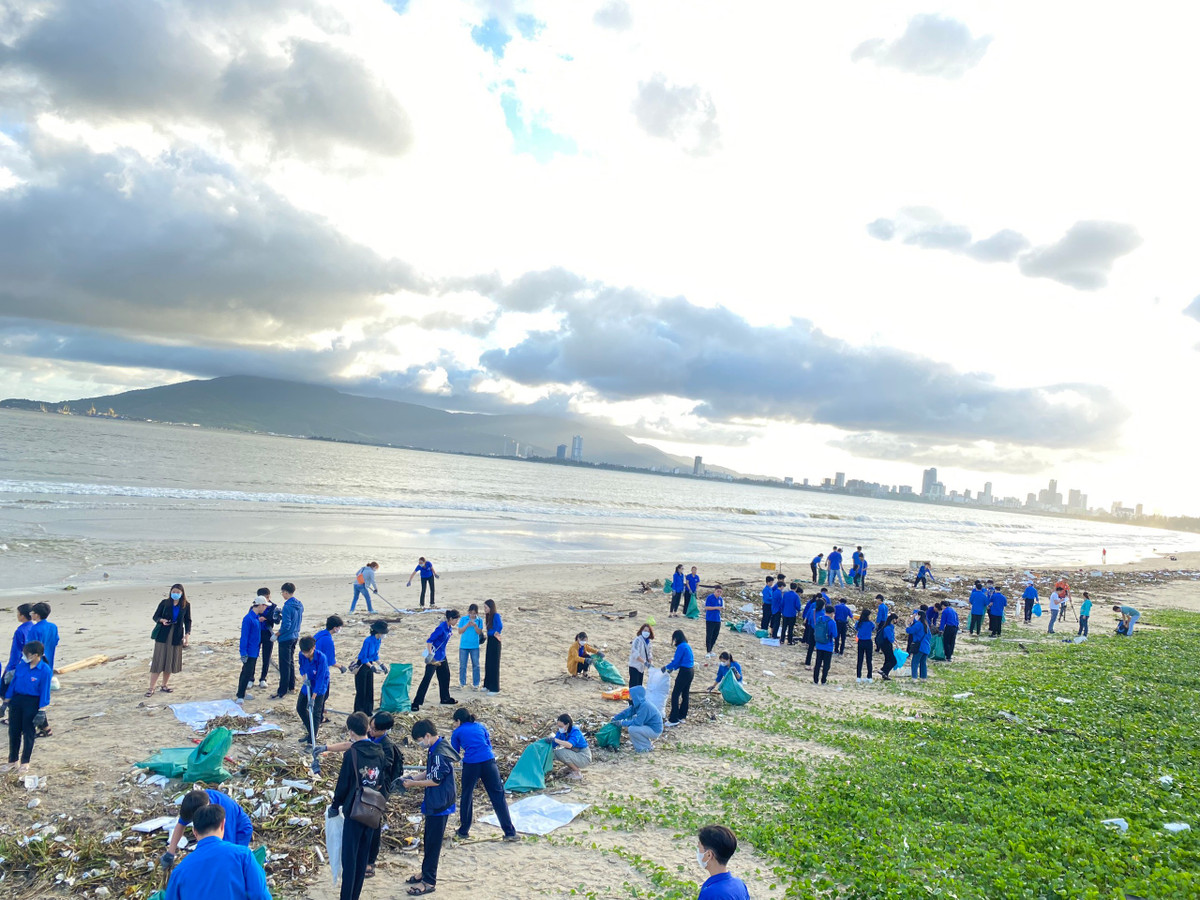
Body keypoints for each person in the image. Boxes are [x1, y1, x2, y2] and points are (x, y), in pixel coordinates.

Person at [316, 711, 405, 880]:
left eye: (374, 729)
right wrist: (327, 748)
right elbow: (351, 744)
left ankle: (370, 861)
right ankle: (360, 860)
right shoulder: (369, 739)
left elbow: (383, 773)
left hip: (377, 792)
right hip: (362, 790)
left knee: (373, 824)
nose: (370, 730)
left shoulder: (385, 747)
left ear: (383, 731)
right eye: (369, 726)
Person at [329, 712, 386, 900]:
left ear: (351, 732)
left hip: (354, 810)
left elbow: (343, 784)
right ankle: (355, 896)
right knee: (363, 857)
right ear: (368, 728)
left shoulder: (351, 753)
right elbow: (381, 781)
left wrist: (335, 805)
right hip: (372, 811)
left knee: (349, 858)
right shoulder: (379, 751)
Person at [163, 803, 269, 900]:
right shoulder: (243, 855)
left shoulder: (179, 872)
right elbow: (259, 894)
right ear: (223, 824)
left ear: (194, 832)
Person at [401, 719, 458, 896]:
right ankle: (424, 873)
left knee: (433, 843)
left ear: (427, 736)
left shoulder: (439, 753)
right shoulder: (437, 747)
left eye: (420, 740)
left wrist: (412, 785)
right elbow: (430, 771)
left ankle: (429, 881)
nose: (420, 744)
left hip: (440, 803)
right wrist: (413, 778)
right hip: (436, 801)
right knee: (428, 839)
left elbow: (435, 780)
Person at [449, 709, 519, 838]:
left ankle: (463, 831)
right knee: (498, 796)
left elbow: (454, 753)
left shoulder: (457, 732)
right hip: (489, 762)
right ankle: (510, 832)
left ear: (458, 721)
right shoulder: (480, 726)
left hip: (471, 764)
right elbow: (488, 744)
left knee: (467, 796)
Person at [163, 788, 253, 863]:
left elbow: (228, 845)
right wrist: (170, 852)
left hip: (240, 829)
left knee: (234, 859)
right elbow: (181, 825)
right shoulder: (195, 802)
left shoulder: (222, 814)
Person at [1, 639, 51, 774]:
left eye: (27, 654)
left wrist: (42, 710)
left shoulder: (44, 670)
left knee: (28, 732)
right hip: (17, 700)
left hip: (32, 702)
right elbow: (13, 684)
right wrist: (6, 702)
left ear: (35, 655)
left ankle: (25, 762)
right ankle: (12, 760)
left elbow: (44, 692)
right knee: (14, 731)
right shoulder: (22, 665)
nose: (25, 656)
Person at [412, 610, 460, 711]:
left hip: (442, 656)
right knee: (427, 679)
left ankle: (445, 698)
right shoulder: (441, 628)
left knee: (445, 677)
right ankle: (416, 702)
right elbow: (429, 641)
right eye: (456, 619)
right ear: (450, 619)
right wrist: (430, 654)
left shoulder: (449, 628)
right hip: (434, 657)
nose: (457, 621)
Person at [148, 587, 190, 699]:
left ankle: (164, 685)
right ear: (170, 592)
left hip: (176, 635)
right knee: (158, 660)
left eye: (178, 592)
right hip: (163, 635)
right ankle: (151, 687)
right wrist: (162, 620)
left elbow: (188, 621)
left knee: (170, 661)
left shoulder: (186, 605)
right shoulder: (165, 603)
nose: (175, 594)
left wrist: (187, 636)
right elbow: (155, 616)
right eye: (173, 592)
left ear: (182, 593)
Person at [696, 824, 751, 900]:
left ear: (709, 855)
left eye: (699, 848)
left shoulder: (711, 893)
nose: (698, 852)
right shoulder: (739, 884)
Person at [0, 604, 34, 723]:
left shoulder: (21, 630)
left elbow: (18, 651)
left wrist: (12, 667)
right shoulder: (32, 627)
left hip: (16, 664)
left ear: (23, 615)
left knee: (5, 690)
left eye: (18, 613)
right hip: (29, 663)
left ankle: (14, 716)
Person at [297, 636, 330, 745]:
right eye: (304, 652)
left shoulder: (322, 658)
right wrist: (304, 677)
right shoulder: (302, 655)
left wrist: (313, 697)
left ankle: (312, 740)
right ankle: (310, 731)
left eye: (308, 652)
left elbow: (321, 678)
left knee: (316, 713)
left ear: (314, 648)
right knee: (300, 708)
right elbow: (301, 667)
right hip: (308, 683)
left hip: (319, 687)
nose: (306, 654)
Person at [610, 684, 663, 752]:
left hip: (655, 730)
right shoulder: (639, 703)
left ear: (636, 696)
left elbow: (638, 723)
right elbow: (628, 712)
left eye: (631, 696)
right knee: (632, 720)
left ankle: (645, 747)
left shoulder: (644, 706)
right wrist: (616, 718)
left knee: (632, 729)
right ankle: (641, 747)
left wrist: (622, 723)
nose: (629, 697)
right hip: (648, 726)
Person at [273, 583, 303, 700]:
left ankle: (282, 690)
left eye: (282, 593)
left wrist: (277, 634)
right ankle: (291, 686)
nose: (282, 595)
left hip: (286, 637)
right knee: (290, 662)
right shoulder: (299, 604)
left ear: (286, 592)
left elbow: (286, 625)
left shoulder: (287, 606)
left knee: (284, 664)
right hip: (295, 635)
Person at [352, 621, 388, 715]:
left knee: (369, 689)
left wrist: (381, 665)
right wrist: (371, 666)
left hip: (370, 664)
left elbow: (375, 655)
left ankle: (368, 710)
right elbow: (363, 657)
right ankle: (359, 711)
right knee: (361, 690)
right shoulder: (368, 640)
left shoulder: (378, 640)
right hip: (363, 665)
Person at [315, 615, 346, 722]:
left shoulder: (320, 634)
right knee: (323, 693)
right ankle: (319, 717)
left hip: (313, 665)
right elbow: (330, 660)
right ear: (335, 627)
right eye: (339, 627)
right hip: (321, 669)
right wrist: (341, 667)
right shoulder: (328, 640)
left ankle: (320, 710)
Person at [661, 630, 695, 726]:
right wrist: (673, 668)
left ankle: (673, 718)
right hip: (691, 671)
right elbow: (680, 662)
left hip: (684, 672)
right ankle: (682, 716)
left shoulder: (681, 647)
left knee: (675, 694)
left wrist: (666, 668)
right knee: (685, 693)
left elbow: (676, 661)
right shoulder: (687, 645)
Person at [236, 598, 267, 702]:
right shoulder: (248, 618)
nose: (266, 607)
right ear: (260, 605)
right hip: (249, 651)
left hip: (254, 650)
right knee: (246, 672)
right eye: (264, 605)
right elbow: (244, 636)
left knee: (249, 672)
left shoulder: (256, 618)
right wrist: (243, 652)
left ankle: (242, 693)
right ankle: (240, 695)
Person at [547, 712, 592, 780]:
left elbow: (569, 745)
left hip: (583, 757)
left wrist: (555, 740)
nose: (559, 728)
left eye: (561, 726)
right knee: (554, 753)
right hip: (575, 754)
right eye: (558, 726)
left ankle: (577, 772)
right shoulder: (561, 733)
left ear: (567, 725)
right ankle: (571, 768)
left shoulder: (575, 731)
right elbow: (553, 745)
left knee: (561, 752)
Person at [254, 588, 279, 690]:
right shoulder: (255, 606)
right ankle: (251, 678)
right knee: (254, 655)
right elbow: (250, 617)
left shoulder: (273, 606)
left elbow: (277, 620)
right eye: (265, 598)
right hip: (257, 633)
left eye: (268, 597)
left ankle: (263, 678)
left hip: (268, 633)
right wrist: (258, 619)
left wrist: (267, 618)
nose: (267, 600)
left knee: (266, 656)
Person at [455, 604, 484, 691]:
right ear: (468, 612)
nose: (472, 615)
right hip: (464, 646)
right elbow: (460, 631)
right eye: (471, 613)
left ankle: (476, 683)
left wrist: (475, 626)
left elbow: (479, 632)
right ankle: (462, 683)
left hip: (474, 646)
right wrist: (467, 625)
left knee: (476, 665)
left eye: (474, 613)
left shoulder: (479, 620)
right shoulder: (464, 619)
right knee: (463, 665)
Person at [482, 599, 503, 695]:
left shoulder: (496, 615)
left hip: (495, 640)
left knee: (494, 664)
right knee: (488, 663)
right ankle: (487, 685)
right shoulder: (488, 617)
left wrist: (495, 632)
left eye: (486, 607)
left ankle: (495, 688)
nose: (484, 609)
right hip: (490, 640)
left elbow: (500, 626)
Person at [812, 602, 836, 685]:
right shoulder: (832, 622)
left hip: (819, 644)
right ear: (832, 613)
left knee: (818, 663)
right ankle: (823, 680)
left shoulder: (819, 618)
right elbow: (835, 634)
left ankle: (815, 680)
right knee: (826, 665)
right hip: (828, 646)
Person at [906, 609, 932, 681]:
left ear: (919, 616)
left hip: (919, 646)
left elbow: (909, 630)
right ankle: (923, 677)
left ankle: (914, 677)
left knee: (915, 662)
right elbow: (929, 636)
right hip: (926, 646)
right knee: (923, 663)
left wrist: (908, 624)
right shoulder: (926, 625)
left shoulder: (918, 624)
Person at [629, 623, 654, 687]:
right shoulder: (637, 640)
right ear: (641, 631)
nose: (646, 632)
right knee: (634, 685)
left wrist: (650, 662)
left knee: (639, 685)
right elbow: (635, 653)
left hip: (641, 667)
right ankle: (631, 697)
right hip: (634, 666)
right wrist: (644, 662)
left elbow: (649, 653)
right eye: (645, 630)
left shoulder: (648, 642)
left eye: (648, 631)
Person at [854, 608, 875, 682]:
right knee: (869, 660)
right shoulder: (871, 623)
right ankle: (869, 677)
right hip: (868, 641)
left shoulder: (858, 623)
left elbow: (856, 628)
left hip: (861, 642)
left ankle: (858, 677)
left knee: (860, 659)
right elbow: (873, 629)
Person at [703, 585, 725, 656]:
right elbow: (707, 607)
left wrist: (721, 608)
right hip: (710, 619)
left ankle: (711, 649)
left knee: (715, 635)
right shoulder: (710, 597)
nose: (719, 593)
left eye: (720, 592)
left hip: (717, 619)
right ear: (715, 591)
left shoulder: (720, 599)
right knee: (709, 635)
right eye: (718, 591)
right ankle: (708, 651)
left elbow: (721, 607)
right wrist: (716, 608)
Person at [802, 597, 822, 667]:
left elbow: (810, 620)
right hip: (819, 631)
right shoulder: (823, 613)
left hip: (811, 629)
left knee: (810, 647)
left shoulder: (813, 611)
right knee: (819, 648)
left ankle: (807, 662)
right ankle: (819, 664)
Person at [878, 614, 898, 681]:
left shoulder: (889, 626)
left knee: (888, 659)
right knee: (893, 661)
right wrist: (895, 643)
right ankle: (882, 670)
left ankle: (885, 674)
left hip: (886, 644)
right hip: (885, 645)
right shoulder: (888, 628)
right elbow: (890, 638)